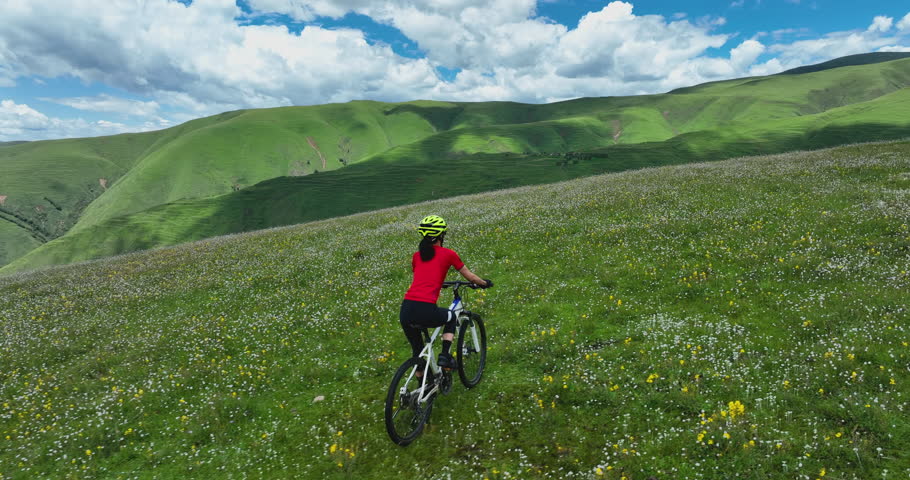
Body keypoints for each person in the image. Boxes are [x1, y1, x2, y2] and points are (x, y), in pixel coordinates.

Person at [399, 215, 491, 376]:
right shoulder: (448, 254)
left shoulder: (416, 256)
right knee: (451, 317)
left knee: (418, 352)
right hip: (425, 308)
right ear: (441, 235)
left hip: (406, 309)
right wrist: (484, 283)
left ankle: (420, 391)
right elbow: (469, 276)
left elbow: (424, 277)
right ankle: (445, 356)